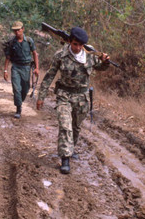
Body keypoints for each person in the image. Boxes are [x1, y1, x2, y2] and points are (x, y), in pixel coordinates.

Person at [36, 27, 110, 174]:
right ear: (69, 41)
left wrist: (105, 61)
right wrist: (41, 96)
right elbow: (49, 76)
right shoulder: (60, 55)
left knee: (75, 127)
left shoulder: (90, 55)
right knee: (65, 126)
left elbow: (101, 68)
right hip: (64, 95)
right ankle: (65, 158)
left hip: (82, 98)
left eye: (80, 45)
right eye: (75, 44)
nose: (77, 48)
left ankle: (71, 148)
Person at [4, 21, 39, 119]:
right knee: (17, 89)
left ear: (23, 29)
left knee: (26, 88)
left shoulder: (29, 41)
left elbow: (35, 54)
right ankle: (18, 108)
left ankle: (19, 101)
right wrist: (5, 70)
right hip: (16, 67)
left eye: (18, 30)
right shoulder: (11, 43)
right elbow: (8, 57)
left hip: (26, 67)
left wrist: (37, 68)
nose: (17, 32)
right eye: (15, 30)